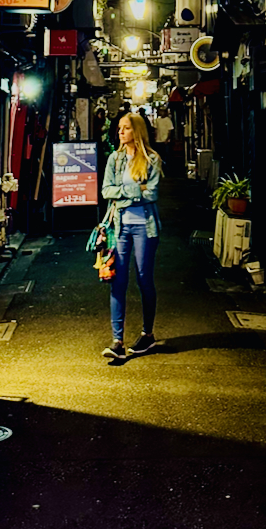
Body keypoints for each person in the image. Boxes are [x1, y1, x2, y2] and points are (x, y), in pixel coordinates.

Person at [99, 112, 163, 361]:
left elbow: (153, 193)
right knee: (118, 280)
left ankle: (148, 334)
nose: (120, 132)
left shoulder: (152, 159)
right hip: (120, 227)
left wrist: (123, 193)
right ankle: (117, 340)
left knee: (144, 278)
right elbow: (106, 191)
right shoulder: (114, 159)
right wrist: (137, 189)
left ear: (136, 131)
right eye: (119, 129)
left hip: (145, 227)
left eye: (125, 128)